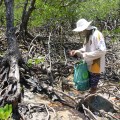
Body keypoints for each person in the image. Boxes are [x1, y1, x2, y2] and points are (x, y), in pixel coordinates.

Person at [70, 18, 106, 94]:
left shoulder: (97, 35)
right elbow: (86, 48)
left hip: (96, 64)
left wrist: (84, 54)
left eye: (81, 31)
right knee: (88, 83)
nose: (81, 32)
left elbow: (102, 51)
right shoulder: (88, 35)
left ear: (86, 28)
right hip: (89, 63)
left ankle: (92, 100)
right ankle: (90, 99)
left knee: (93, 87)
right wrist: (77, 51)